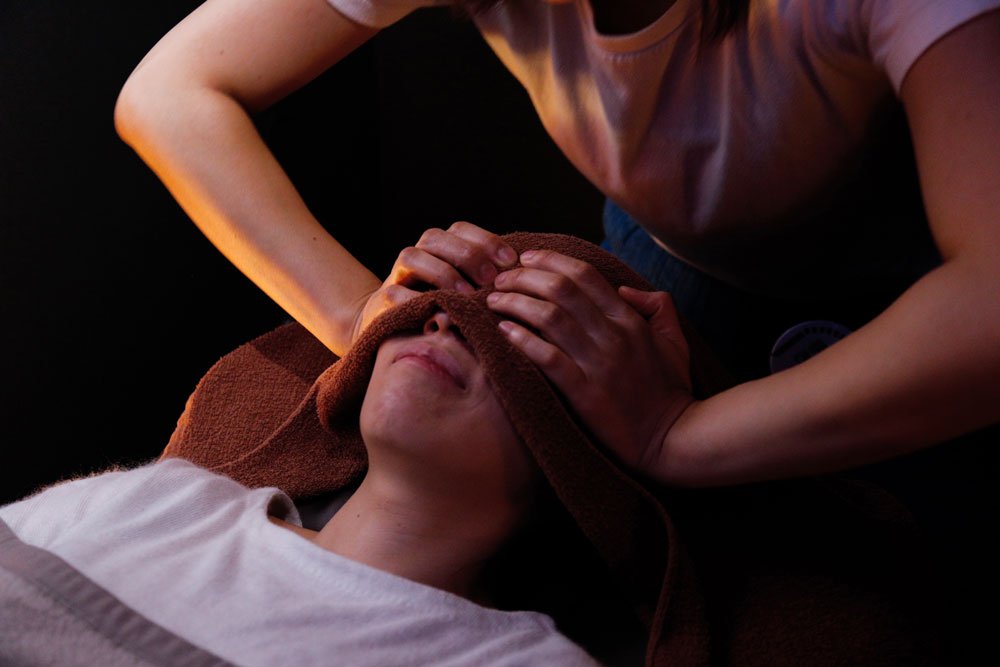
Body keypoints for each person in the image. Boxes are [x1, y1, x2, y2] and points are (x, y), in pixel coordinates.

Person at [114, 0, 999, 656]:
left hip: (918, 293)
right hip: (679, 250)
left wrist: (682, 436)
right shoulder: (161, 510)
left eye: (491, 331)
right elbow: (172, 93)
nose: (453, 324)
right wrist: (360, 317)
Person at [0, 309, 600, 666]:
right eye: (438, 300)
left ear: (587, 446)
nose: (445, 320)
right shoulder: (164, 500)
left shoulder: (519, 661)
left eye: (522, 333)